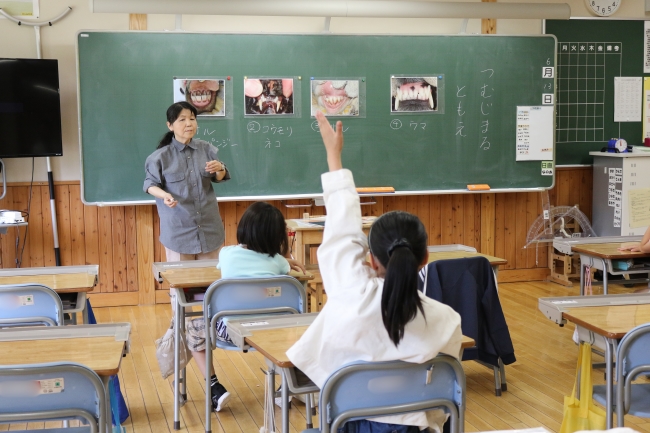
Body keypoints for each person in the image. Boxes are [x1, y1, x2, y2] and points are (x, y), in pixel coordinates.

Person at [287, 112, 463, 433]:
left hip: (350, 424)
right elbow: (442, 402)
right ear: (425, 258)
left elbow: (342, 230)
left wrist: (334, 157)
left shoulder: (352, 294)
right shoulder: (447, 320)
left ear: (371, 260)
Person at [143, 101, 231, 412]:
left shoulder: (207, 149)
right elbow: (149, 185)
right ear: (170, 125)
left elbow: (220, 178)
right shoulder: (160, 157)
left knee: (206, 305)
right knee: (181, 308)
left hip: (209, 231)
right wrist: (164, 194)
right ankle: (186, 376)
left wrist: (220, 170)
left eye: (192, 119)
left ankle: (204, 377)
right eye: (182, 120)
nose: (188, 124)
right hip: (178, 235)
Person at [214, 201, 306, 343]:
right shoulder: (279, 261)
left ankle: (208, 367)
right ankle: (276, 366)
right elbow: (279, 265)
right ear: (278, 236)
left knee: (193, 328)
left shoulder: (226, 253)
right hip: (274, 329)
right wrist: (284, 254)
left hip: (233, 331)